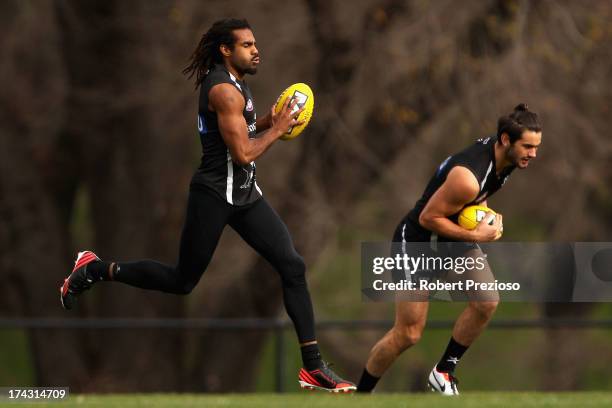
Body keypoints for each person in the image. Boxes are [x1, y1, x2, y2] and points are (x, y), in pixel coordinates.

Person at [60, 18, 355, 393]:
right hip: (214, 196)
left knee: (292, 266)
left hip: (245, 196)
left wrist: (271, 119)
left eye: (255, 43)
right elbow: (245, 153)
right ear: (225, 50)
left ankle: (313, 367)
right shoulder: (223, 91)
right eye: (247, 45)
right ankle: (96, 269)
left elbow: (243, 133)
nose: (256, 50)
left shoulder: (237, 85)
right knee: (182, 281)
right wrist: (278, 131)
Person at [357, 104, 542, 395]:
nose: (533, 154)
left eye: (536, 147)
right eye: (528, 146)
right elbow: (427, 218)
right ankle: (361, 395)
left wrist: (486, 216)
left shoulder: (506, 161)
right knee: (408, 334)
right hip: (417, 240)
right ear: (506, 140)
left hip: (451, 237)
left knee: (487, 301)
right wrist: (479, 236)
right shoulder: (467, 178)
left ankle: (443, 371)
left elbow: (478, 198)